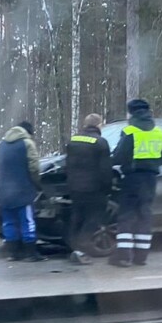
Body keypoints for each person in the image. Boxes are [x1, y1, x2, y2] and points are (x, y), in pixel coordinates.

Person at [110, 98, 162, 267]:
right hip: (150, 179)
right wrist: (151, 164)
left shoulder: (130, 131)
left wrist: (114, 162)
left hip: (132, 178)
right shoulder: (158, 132)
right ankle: (141, 257)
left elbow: (119, 156)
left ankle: (123, 256)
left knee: (126, 215)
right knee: (145, 215)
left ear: (131, 113)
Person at [65, 113, 114, 265]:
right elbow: (105, 169)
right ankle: (82, 248)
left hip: (75, 187)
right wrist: (108, 188)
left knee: (77, 218)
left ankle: (74, 250)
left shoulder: (73, 140)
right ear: (98, 125)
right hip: (94, 189)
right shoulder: (100, 143)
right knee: (93, 219)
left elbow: (67, 165)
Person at [0, 120, 45, 262]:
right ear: (28, 132)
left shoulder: (1, 145)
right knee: (27, 221)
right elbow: (34, 168)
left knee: (9, 221)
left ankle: (12, 253)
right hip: (23, 190)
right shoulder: (27, 144)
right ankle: (30, 253)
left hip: (4, 190)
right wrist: (37, 184)